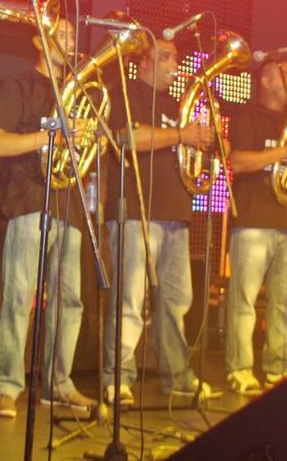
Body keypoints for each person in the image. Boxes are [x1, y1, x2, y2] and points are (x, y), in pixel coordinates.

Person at [0, 20, 96, 418]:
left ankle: (58, 384)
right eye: (60, 34)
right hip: (29, 200)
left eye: (71, 35)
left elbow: (87, 149)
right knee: (20, 296)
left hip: (70, 204)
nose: (69, 41)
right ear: (38, 40)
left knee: (70, 302)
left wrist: (88, 139)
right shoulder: (19, 85)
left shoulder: (78, 92)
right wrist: (52, 137)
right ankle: (5, 386)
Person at [102, 38, 222, 406]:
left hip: (176, 214)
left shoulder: (177, 106)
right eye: (166, 56)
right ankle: (117, 378)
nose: (174, 63)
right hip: (135, 211)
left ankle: (177, 376)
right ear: (144, 61)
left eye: (175, 57)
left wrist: (205, 140)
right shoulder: (126, 93)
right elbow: (127, 138)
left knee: (176, 301)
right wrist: (183, 135)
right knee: (129, 300)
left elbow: (204, 150)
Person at [226, 59, 287, 394]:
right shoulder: (247, 116)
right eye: (285, 74)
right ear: (266, 81)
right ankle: (239, 368)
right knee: (244, 301)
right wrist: (285, 152)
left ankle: (278, 367)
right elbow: (238, 161)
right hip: (253, 221)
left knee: (284, 303)